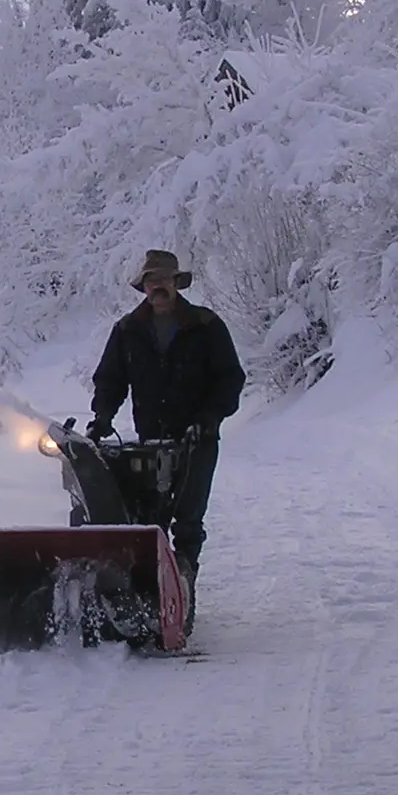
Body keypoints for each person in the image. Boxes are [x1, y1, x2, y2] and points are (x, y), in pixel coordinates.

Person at [86, 249, 245, 603]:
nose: (157, 286)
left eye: (163, 279)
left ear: (176, 282)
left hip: (197, 440)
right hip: (149, 442)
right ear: (143, 286)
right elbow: (111, 379)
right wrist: (102, 417)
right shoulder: (128, 330)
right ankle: (150, 595)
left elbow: (230, 378)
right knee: (147, 519)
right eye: (150, 280)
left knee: (188, 520)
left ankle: (183, 591)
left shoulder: (205, 326)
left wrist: (210, 416)